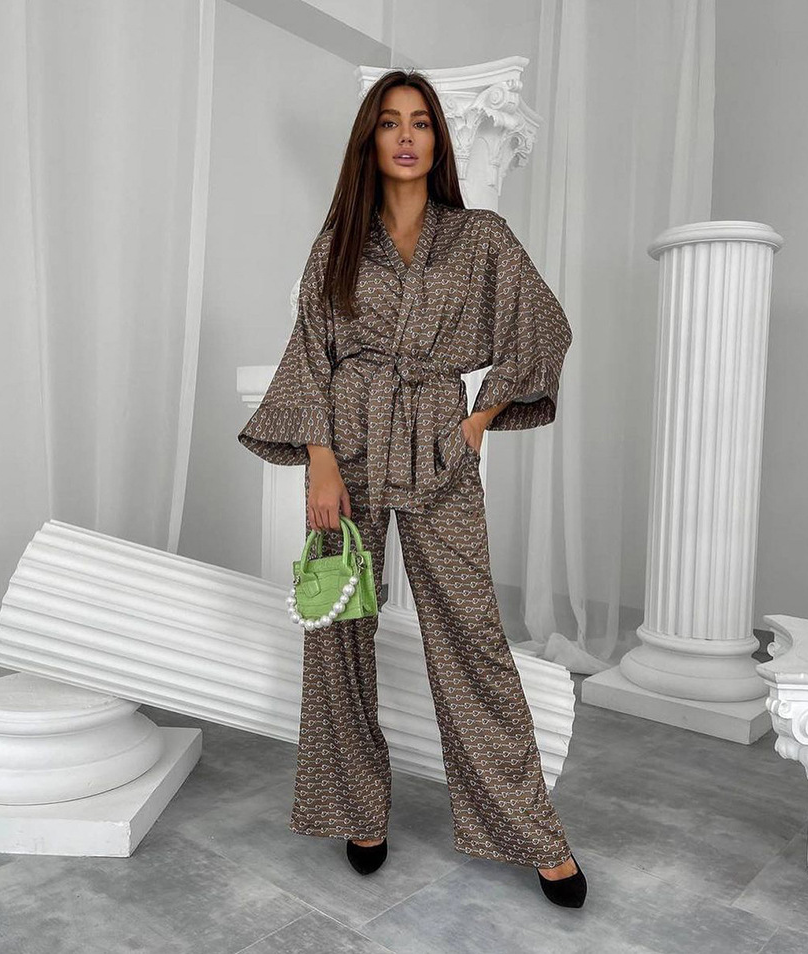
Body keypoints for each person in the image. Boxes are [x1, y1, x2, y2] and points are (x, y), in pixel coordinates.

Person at [238, 68, 585, 908]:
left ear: (437, 140)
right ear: (370, 139)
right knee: (341, 630)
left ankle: (531, 832)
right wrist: (320, 461)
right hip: (346, 438)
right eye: (390, 122)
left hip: (436, 438)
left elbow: (544, 325)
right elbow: (310, 352)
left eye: (421, 122)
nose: (405, 136)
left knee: (470, 634)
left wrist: (477, 419)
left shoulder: (480, 237)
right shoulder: (338, 244)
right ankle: (358, 809)